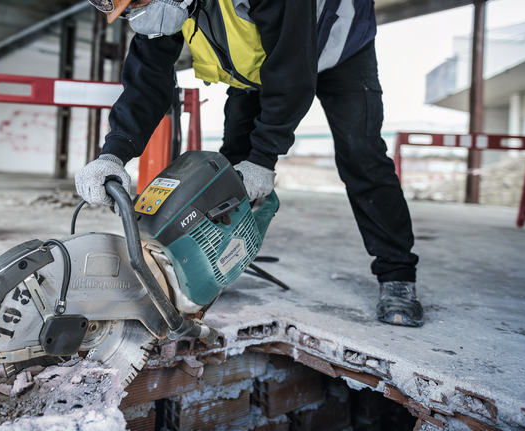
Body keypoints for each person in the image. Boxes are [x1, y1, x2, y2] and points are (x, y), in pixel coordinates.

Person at [75, 0, 424, 327]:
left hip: (337, 47)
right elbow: (146, 81)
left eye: (137, 3)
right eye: (126, 9)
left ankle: (397, 278)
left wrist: (263, 159)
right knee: (227, 174)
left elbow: (291, 70)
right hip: (259, 65)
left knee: (361, 156)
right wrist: (113, 154)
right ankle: (219, 266)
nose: (137, 14)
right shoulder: (164, 5)